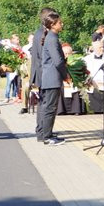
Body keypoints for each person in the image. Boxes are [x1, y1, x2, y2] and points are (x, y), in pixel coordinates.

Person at [38, 10, 68, 146]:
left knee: (51, 107)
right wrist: (65, 75)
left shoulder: (52, 37)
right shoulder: (52, 38)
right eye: (59, 22)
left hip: (52, 78)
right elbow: (58, 61)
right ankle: (47, 136)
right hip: (52, 78)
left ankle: (48, 133)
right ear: (52, 25)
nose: (62, 24)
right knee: (50, 108)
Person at [30, 8, 57, 141]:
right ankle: (43, 132)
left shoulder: (40, 32)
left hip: (40, 71)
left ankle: (43, 131)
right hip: (43, 73)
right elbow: (43, 56)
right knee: (45, 104)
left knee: (43, 103)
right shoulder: (42, 34)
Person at [84, 40, 104, 113]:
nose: (102, 49)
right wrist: (91, 81)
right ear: (94, 48)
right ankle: (93, 109)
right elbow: (85, 72)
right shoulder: (87, 59)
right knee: (88, 88)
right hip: (92, 82)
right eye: (100, 47)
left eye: (103, 47)